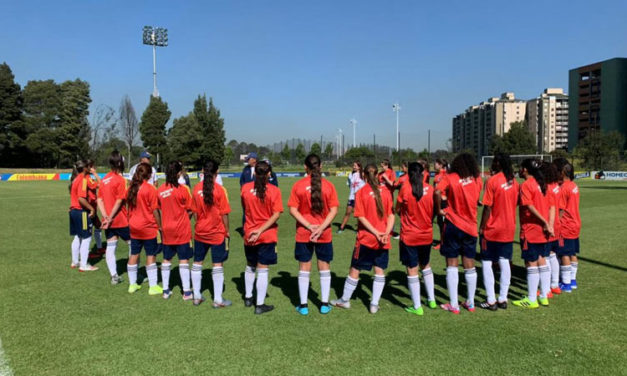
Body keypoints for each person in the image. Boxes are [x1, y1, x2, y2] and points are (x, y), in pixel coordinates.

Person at [331, 163, 395, 314]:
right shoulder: (386, 192)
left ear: (363, 176)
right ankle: (374, 304)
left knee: (355, 269)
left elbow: (361, 217)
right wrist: (385, 233)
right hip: (382, 239)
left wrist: (375, 233)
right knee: (379, 270)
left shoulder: (362, 192)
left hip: (366, 239)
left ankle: (344, 301)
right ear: (378, 174)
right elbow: (391, 215)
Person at [288, 154, 339, 315]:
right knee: (324, 266)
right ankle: (324, 304)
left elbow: (292, 210)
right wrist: (321, 228)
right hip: (324, 233)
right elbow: (334, 210)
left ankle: (303, 306)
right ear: (321, 166)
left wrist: (310, 226)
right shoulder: (329, 185)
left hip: (304, 233)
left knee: (304, 267)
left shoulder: (298, 185)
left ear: (305, 166)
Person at [435, 152, 482, 314]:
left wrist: (439, 209)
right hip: (471, 226)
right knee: (469, 264)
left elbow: (436, 192)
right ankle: (470, 302)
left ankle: (454, 304)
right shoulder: (477, 179)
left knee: (452, 263)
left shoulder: (450, 177)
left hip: (453, 224)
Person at [241, 161, 283, 315]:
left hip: (249, 233)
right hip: (267, 235)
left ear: (254, 174)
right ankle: (259, 304)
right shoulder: (274, 191)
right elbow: (276, 214)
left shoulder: (245, 189)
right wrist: (261, 230)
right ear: (269, 174)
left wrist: (255, 229)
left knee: (250, 265)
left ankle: (248, 297)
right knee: (263, 268)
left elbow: (245, 209)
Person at [512, 159, 555, 309]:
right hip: (543, 231)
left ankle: (531, 299)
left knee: (530, 263)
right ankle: (543, 296)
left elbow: (529, 206)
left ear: (525, 170)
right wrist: (549, 224)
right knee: (541, 260)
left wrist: (544, 222)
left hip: (531, 230)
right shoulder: (543, 184)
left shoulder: (526, 185)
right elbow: (552, 207)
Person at [478, 153, 518, 310]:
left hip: (493, 228)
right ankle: (503, 298)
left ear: (498, 163)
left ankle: (491, 300)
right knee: (504, 261)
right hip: (509, 227)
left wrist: (482, 227)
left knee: (487, 262)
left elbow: (487, 207)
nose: (492, 164)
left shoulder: (492, 181)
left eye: (494, 161)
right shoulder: (513, 182)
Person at [396, 162, 436, 315]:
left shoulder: (405, 188)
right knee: (426, 265)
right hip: (427, 234)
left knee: (412, 269)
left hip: (410, 235)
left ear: (409, 173)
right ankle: (431, 300)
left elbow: (397, 209)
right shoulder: (430, 189)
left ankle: (417, 306)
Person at [191, 160, 232, 307]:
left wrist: (201, 223)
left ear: (202, 171)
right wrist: (227, 230)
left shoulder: (196, 189)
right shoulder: (220, 190)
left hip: (200, 232)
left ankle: (196, 296)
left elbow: (194, 212)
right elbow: (225, 214)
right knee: (217, 264)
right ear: (217, 171)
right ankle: (218, 300)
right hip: (216, 233)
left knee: (197, 263)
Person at [158, 161, 194, 301]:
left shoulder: (160, 190)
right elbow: (190, 209)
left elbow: (157, 208)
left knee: (167, 259)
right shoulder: (184, 189)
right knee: (183, 259)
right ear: (179, 173)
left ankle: (166, 290)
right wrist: (185, 218)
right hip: (182, 229)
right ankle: (186, 292)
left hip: (167, 229)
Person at [126, 163, 163, 295]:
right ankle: (153, 287)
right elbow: (155, 210)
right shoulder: (150, 189)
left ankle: (132, 284)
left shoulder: (131, 188)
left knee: (134, 254)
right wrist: (160, 226)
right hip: (148, 227)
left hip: (134, 226)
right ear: (149, 175)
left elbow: (128, 208)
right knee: (150, 255)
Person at [97, 151, 129, 284]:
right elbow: (119, 200)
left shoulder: (104, 179)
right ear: (120, 162)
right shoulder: (120, 180)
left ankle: (114, 276)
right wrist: (110, 217)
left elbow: (99, 199)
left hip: (108, 221)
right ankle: (135, 273)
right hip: (120, 219)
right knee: (134, 245)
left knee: (111, 247)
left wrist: (105, 216)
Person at [554, 158, 581, 292]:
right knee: (572, 253)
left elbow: (560, 209)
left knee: (564, 254)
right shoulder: (574, 185)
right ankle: (572, 280)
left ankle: (565, 283)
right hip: (575, 223)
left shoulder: (563, 189)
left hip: (566, 224)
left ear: (562, 173)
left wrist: (555, 224)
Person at [68, 160, 99, 272]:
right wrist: (91, 208)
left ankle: (75, 261)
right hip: (81, 212)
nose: (91, 168)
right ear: (85, 168)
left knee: (78, 236)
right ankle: (84, 265)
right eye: (89, 166)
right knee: (86, 237)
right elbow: (81, 198)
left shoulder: (75, 178)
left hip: (73, 211)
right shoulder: (83, 179)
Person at [542, 161, 563, 296]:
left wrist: (547, 224)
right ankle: (554, 284)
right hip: (557, 224)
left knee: (546, 256)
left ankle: (547, 288)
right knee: (553, 255)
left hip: (550, 224)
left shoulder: (548, 188)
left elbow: (550, 208)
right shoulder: (557, 186)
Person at [337, 161, 365, 233]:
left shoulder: (363, 175)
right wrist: (353, 191)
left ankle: (359, 229)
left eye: (355, 166)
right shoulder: (350, 174)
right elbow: (349, 184)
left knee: (359, 214)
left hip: (360, 198)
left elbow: (366, 185)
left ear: (359, 167)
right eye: (353, 165)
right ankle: (341, 228)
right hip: (351, 197)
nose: (354, 167)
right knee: (348, 212)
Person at [85, 159, 105, 255]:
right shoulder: (88, 178)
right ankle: (87, 252)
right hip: (89, 208)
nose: (94, 168)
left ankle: (99, 247)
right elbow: (101, 184)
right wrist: (95, 174)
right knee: (87, 232)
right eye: (93, 166)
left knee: (98, 226)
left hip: (93, 207)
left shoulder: (88, 177)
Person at [433, 158, 448, 250]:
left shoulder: (445, 175)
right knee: (439, 222)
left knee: (443, 223)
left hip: (442, 201)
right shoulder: (436, 174)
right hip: (436, 200)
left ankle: (443, 243)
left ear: (441, 165)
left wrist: (445, 198)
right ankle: (442, 241)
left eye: (436, 164)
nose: (434, 165)